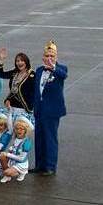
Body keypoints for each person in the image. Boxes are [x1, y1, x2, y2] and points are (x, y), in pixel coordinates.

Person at [33, 40, 68, 176]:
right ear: (43, 57)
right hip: (40, 110)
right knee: (39, 138)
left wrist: (53, 67)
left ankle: (50, 166)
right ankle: (40, 165)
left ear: (56, 57)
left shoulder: (61, 69)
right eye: (47, 56)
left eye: (52, 56)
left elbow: (63, 75)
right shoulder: (39, 70)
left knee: (50, 138)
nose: (49, 59)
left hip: (52, 111)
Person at [0, 48, 36, 116]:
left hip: (25, 108)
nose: (19, 63)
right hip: (11, 107)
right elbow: (0, 74)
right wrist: (1, 60)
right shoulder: (14, 73)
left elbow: (36, 92)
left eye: (22, 60)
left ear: (26, 62)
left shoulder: (32, 75)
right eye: (17, 61)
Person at [0, 115, 34, 183]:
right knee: (1, 156)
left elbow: (21, 159)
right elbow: (9, 126)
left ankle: (22, 172)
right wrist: (10, 112)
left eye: (21, 129)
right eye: (17, 129)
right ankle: (8, 175)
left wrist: (8, 154)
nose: (19, 131)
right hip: (12, 161)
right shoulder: (15, 138)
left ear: (26, 130)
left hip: (20, 164)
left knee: (5, 172)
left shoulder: (27, 142)